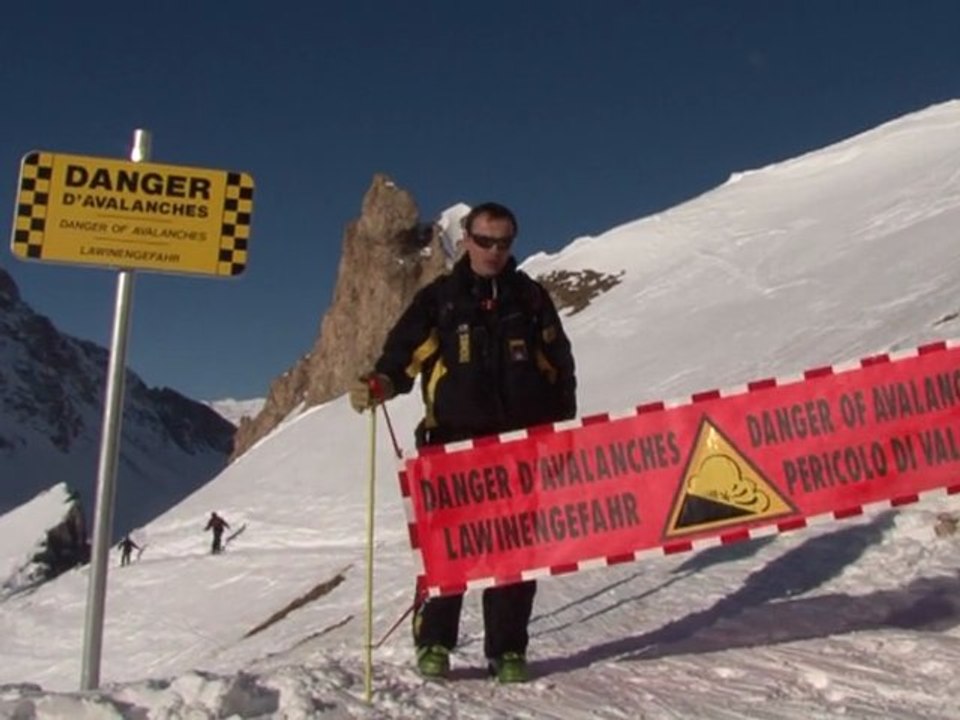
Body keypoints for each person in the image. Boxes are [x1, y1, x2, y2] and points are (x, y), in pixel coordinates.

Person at [350, 202, 577, 683]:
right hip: (451, 444)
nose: (494, 251)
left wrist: (558, 430)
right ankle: (434, 641)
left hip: (519, 446)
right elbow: (402, 354)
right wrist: (382, 382)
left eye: (504, 242)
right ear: (466, 240)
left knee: (514, 553)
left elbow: (560, 367)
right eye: (485, 240)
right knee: (448, 547)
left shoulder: (530, 299)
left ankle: (508, 649)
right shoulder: (441, 299)